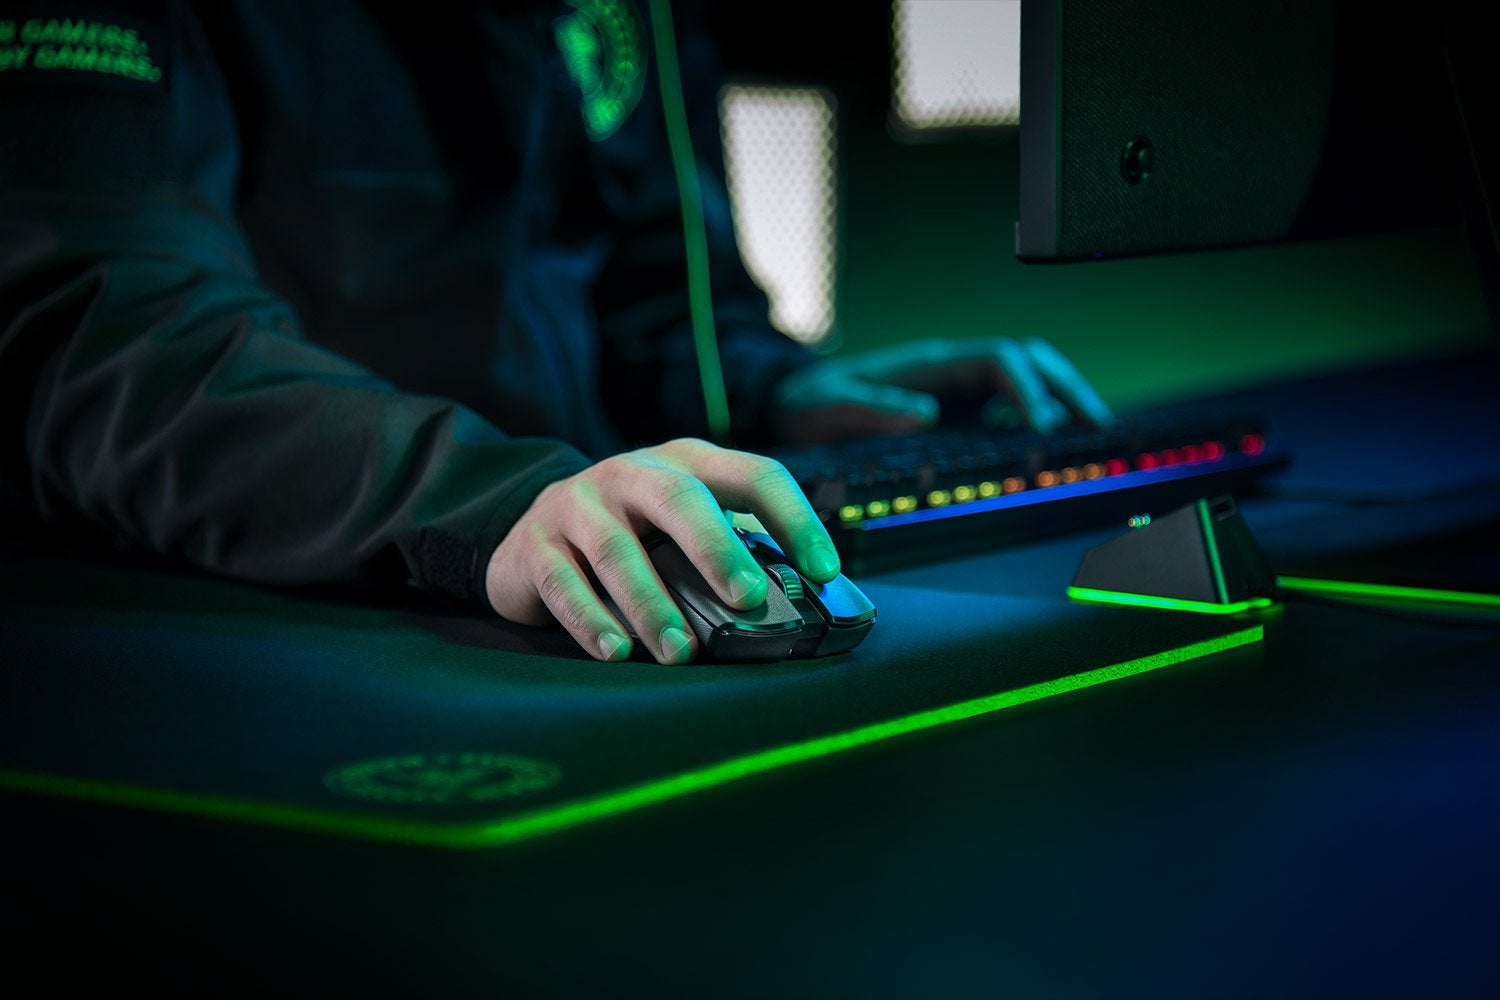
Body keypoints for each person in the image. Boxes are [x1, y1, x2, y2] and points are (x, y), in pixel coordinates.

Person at [0, 1, 1111, 665]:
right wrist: (486, 502)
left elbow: (644, 297)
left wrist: (773, 390)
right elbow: (104, 328)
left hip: (573, 602)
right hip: (235, 632)